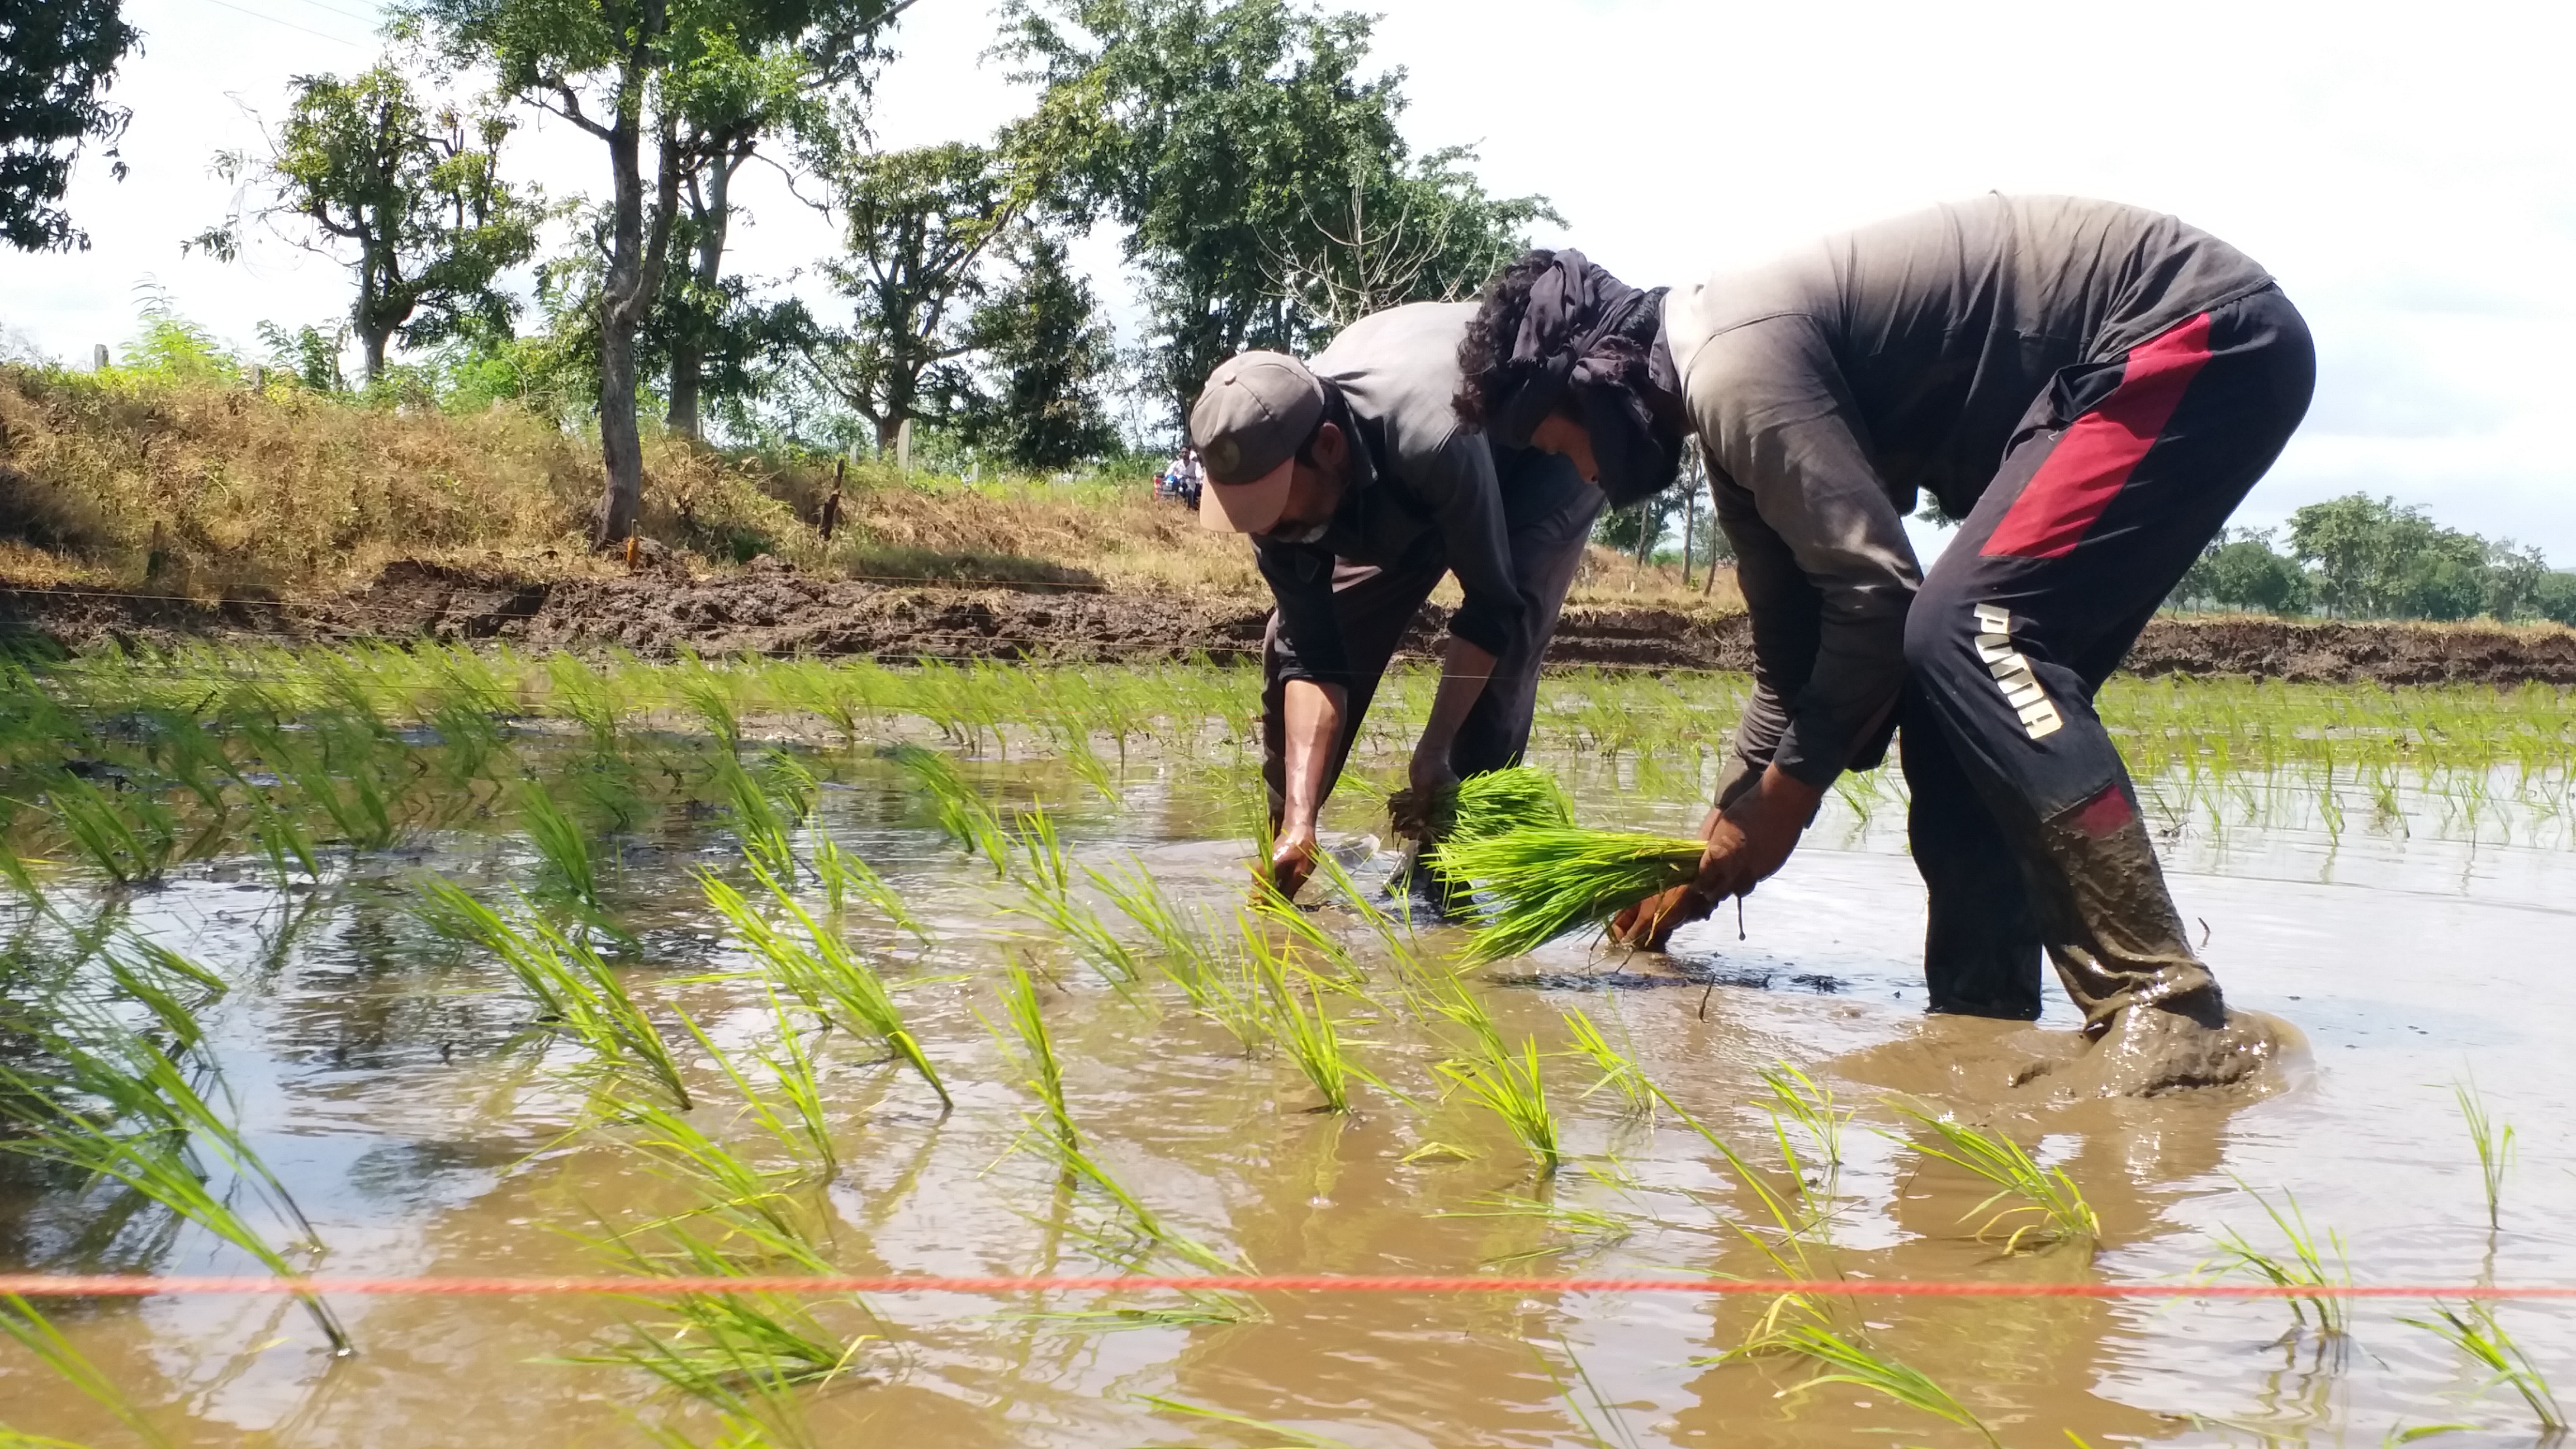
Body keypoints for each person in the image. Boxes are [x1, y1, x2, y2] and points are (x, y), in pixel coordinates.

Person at [1455, 197, 2314, 1087]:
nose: (1580, 471)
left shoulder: (1732, 366)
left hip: (2194, 332)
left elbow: (1880, 594)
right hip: (2136, 365)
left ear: (1593, 377)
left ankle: (2165, 1005)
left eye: (1559, 440)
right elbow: (1794, 668)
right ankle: (1984, 1030)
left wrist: (1785, 800)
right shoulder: (1725, 415)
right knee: (1953, 715)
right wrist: (1712, 844)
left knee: (1974, 631)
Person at [1191, 301, 1642, 902]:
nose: (1270, 528)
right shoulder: (1273, 470)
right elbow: (1313, 653)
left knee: (1504, 657)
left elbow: (1491, 605)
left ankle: (1440, 872)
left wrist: (1432, 750)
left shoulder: (1432, 437)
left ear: (1327, 448)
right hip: (1393, 481)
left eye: (1278, 508)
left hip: (1537, 456)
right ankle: (1290, 847)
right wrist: (1301, 818)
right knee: (1292, 640)